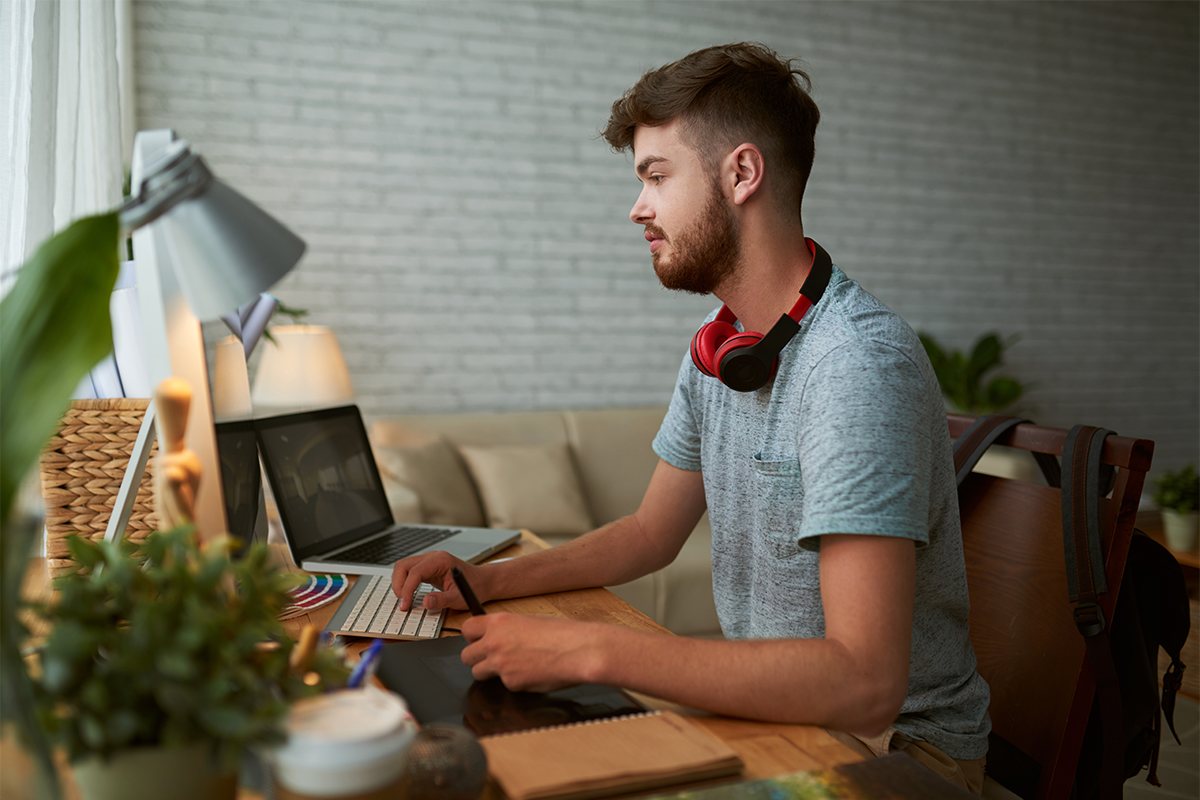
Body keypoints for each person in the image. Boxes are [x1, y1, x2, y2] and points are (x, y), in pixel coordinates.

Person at [392, 42, 990, 794]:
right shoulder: (720, 349)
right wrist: (485, 580)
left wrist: (590, 651)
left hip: (892, 754)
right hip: (789, 723)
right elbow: (648, 534)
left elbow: (865, 682)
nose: (636, 206)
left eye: (655, 176)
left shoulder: (856, 367)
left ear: (741, 173)